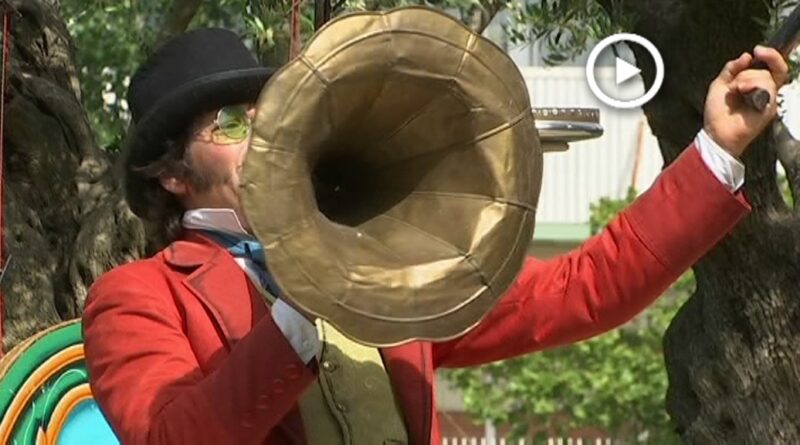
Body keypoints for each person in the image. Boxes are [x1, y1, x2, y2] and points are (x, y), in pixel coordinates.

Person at [82, 26, 788, 445]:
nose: (265, 134)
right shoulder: (135, 296)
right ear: (171, 173)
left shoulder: (391, 265)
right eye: (232, 125)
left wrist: (718, 148)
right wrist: (304, 300)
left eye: (270, 112)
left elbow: (586, 288)